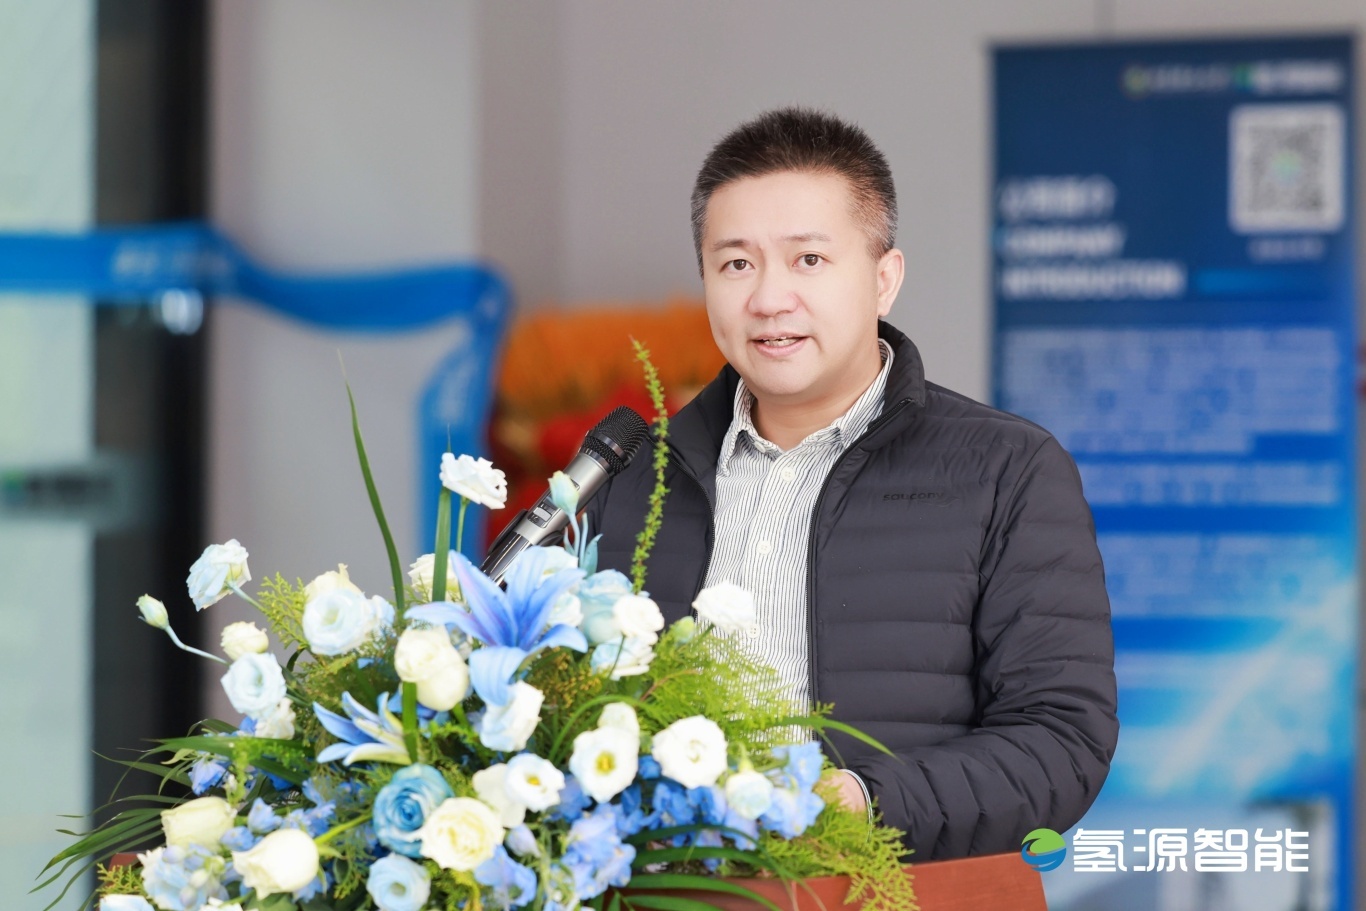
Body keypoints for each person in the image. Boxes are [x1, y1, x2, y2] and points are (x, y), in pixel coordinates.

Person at [585, 107, 1118, 860]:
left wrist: (860, 801)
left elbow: (1062, 741)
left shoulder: (1007, 471)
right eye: (736, 264)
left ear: (883, 279)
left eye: (808, 259)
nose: (769, 299)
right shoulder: (629, 475)